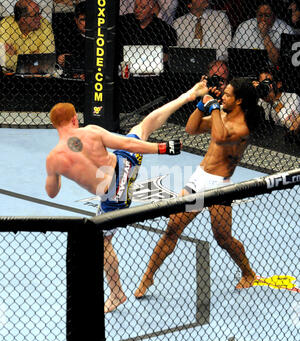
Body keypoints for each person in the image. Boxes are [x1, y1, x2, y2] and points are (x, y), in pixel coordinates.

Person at [45, 82, 208, 313]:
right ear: (74, 119)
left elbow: (51, 192)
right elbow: (129, 144)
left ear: (55, 126)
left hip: (114, 196)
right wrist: (163, 148)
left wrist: (57, 175)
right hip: (124, 164)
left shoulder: (54, 158)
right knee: (142, 128)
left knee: (103, 244)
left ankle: (116, 293)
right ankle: (187, 95)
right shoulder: (91, 131)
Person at [134, 77, 261, 299]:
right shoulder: (219, 114)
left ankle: (248, 273)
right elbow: (191, 129)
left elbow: (221, 137)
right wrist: (202, 104)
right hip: (200, 180)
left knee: (223, 238)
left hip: (220, 187)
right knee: (172, 229)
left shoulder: (242, 126)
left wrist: (213, 107)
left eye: (228, 95)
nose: (223, 97)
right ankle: (148, 277)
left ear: (239, 101)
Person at [231, 0, 295, 66]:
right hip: (246, 67)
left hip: (273, 70)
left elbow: (279, 62)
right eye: (260, 15)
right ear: (256, 13)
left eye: (267, 15)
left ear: (274, 15)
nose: (263, 19)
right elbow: (233, 55)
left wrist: (265, 35)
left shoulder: (286, 30)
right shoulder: (244, 26)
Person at [0, 0, 55, 73]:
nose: (40, 17)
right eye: (36, 15)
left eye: (39, 13)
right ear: (23, 20)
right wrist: (34, 59)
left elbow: (47, 62)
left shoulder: (45, 25)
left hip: (38, 76)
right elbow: (5, 62)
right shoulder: (5, 25)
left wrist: (15, 56)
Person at [253, 67, 300, 135]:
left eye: (267, 82)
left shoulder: (292, 97)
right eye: (262, 83)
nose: (265, 86)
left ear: (278, 84)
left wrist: (273, 100)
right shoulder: (260, 100)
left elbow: (291, 125)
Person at [56, 1, 86, 80]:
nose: (87, 23)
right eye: (83, 20)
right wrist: (60, 59)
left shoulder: (102, 36)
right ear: (76, 20)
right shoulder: (67, 35)